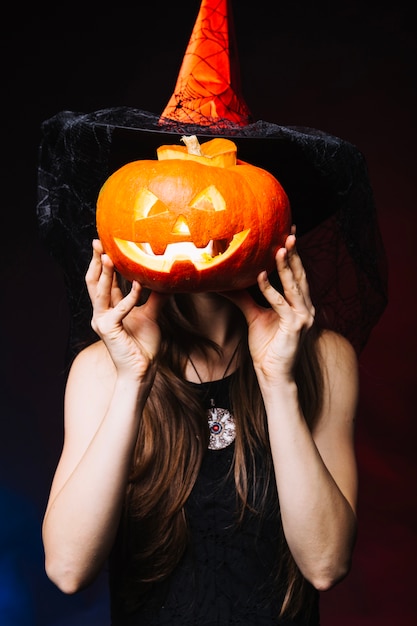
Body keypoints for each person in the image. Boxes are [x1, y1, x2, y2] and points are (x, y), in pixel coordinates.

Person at [42, 229, 358, 626]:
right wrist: (133, 380)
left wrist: (278, 381)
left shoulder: (324, 358)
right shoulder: (101, 369)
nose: (198, 225)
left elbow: (325, 564)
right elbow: (68, 568)